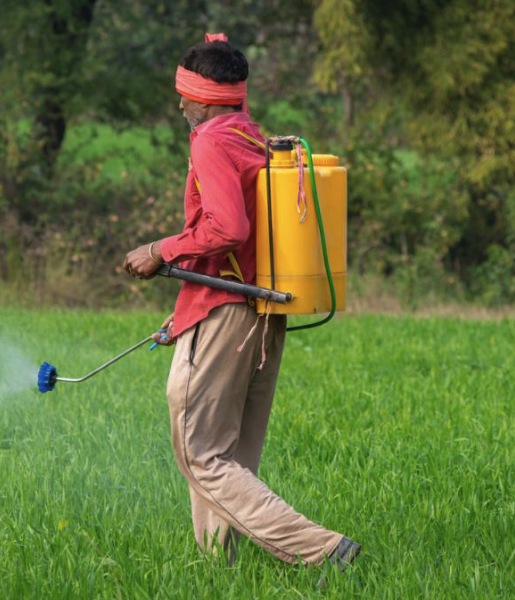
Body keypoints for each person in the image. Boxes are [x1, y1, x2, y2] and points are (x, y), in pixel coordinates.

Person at [122, 33, 360, 573]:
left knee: (201, 454)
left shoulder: (209, 139)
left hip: (225, 315)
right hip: (257, 313)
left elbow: (228, 228)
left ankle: (323, 550)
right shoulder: (252, 135)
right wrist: (184, 311)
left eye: (183, 93)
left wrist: (161, 250)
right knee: (227, 458)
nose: (179, 103)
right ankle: (217, 569)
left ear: (204, 96)